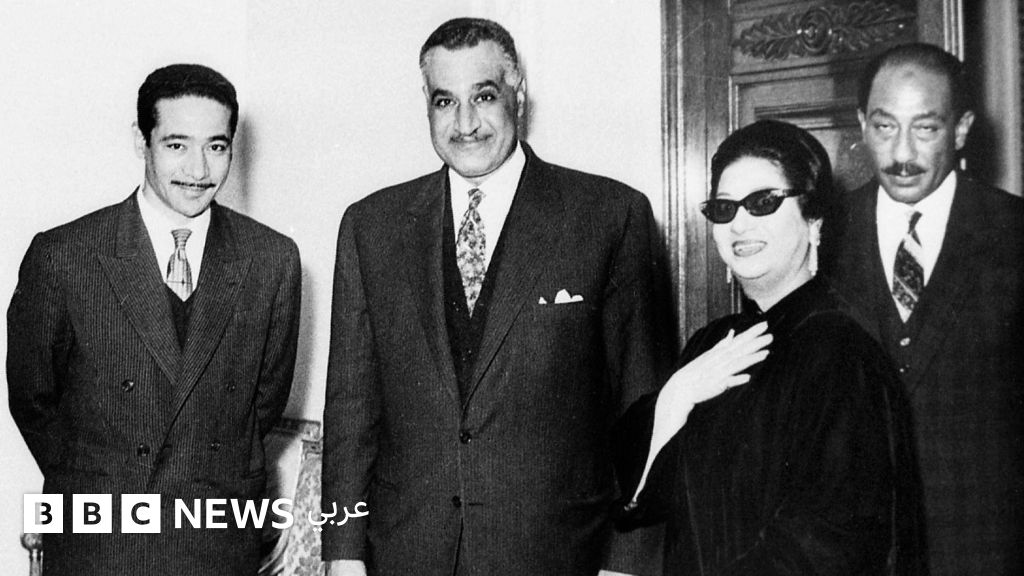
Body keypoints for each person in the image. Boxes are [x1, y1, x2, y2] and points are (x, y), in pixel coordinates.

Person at [321, 17, 674, 576]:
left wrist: (628, 562)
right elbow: (349, 413)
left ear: (519, 94)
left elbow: (643, 407)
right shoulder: (372, 227)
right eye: (445, 101)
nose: (465, 123)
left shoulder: (609, 215)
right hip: (406, 555)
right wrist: (341, 553)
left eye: (483, 96)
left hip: (555, 556)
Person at [7, 64, 302, 575]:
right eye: (176, 144)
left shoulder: (272, 260)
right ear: (140, 141)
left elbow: (263, 405)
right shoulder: (65, 256)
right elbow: (33, 399)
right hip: (101, 549)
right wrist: (100, 486)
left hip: (214, 547)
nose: (198, 169)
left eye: (216, 146)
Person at [614, 120, 926, 575]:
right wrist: (675, 396)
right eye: (724, 208)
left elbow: (829, 545)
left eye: (763, 203)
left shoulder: (842, 353)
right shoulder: (711, 344)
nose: (739, 224)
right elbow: (635, 494)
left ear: (814, 220)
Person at [822, 42, 1024, 575]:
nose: (902, 153)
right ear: (862, 124)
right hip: (854, 550)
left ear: (961, 130)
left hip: (984, 550)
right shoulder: (822, 236)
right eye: (885, 127)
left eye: (926, 128)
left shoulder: (1013, 232)